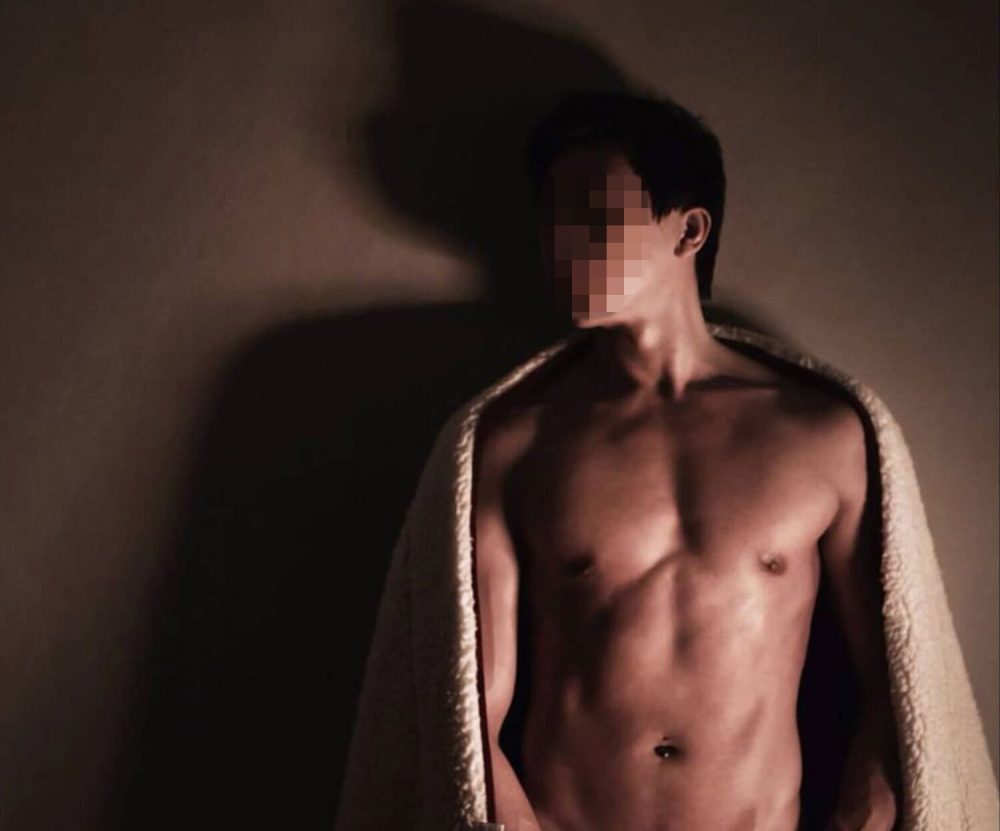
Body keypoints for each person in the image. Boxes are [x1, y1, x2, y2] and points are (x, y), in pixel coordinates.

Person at [473, 92, 900, 831]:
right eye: (551, 222)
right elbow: (468, 702)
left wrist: (869, 802)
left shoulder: (821, 436)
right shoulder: (519, 442)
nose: (562, 246)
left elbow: (897, 675)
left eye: (594, 217)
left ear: (689, 229)